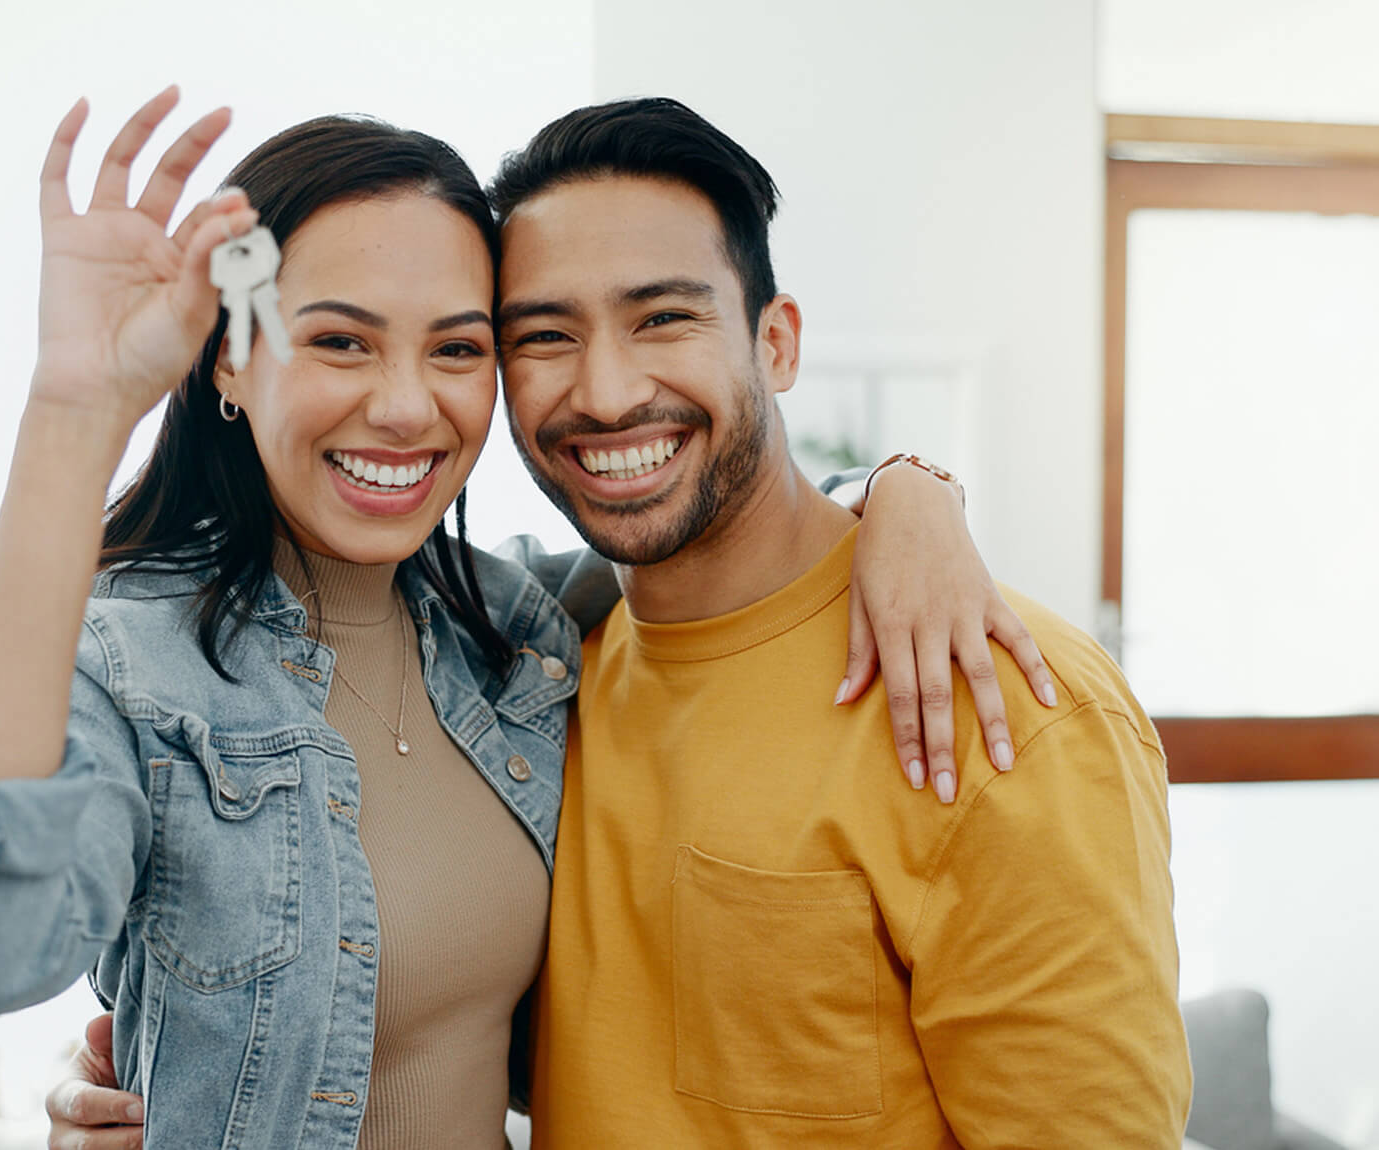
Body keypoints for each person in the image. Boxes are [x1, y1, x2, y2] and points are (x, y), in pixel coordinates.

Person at [0, 88, 1049, 1150]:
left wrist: (907, 497)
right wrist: (76, 409)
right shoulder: (134, 662)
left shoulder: (518, 632)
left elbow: (725, 541)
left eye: (459, 348)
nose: (406, 406)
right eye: (338, 341)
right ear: (226, 360)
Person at [484, 99, 1185, 1146]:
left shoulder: (1009, 701)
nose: (608, 389)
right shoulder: (529, 669)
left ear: (776, 342)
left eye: (664, 317)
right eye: (545, 335)